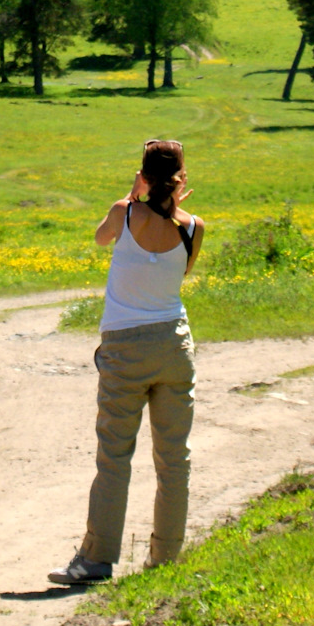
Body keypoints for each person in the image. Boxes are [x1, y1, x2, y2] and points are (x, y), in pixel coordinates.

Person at [48, 139, 204, 585]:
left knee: (114, 456)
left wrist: (133, 196)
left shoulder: (125, 211)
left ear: (142, 174)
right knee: (174, 458)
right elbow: (180, 272)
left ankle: (97, 559)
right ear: (181, 179)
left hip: (123, 347)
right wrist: (171, 207)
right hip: (174, 344)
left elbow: (101, 238)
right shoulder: (195, 227)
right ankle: (166, 557)